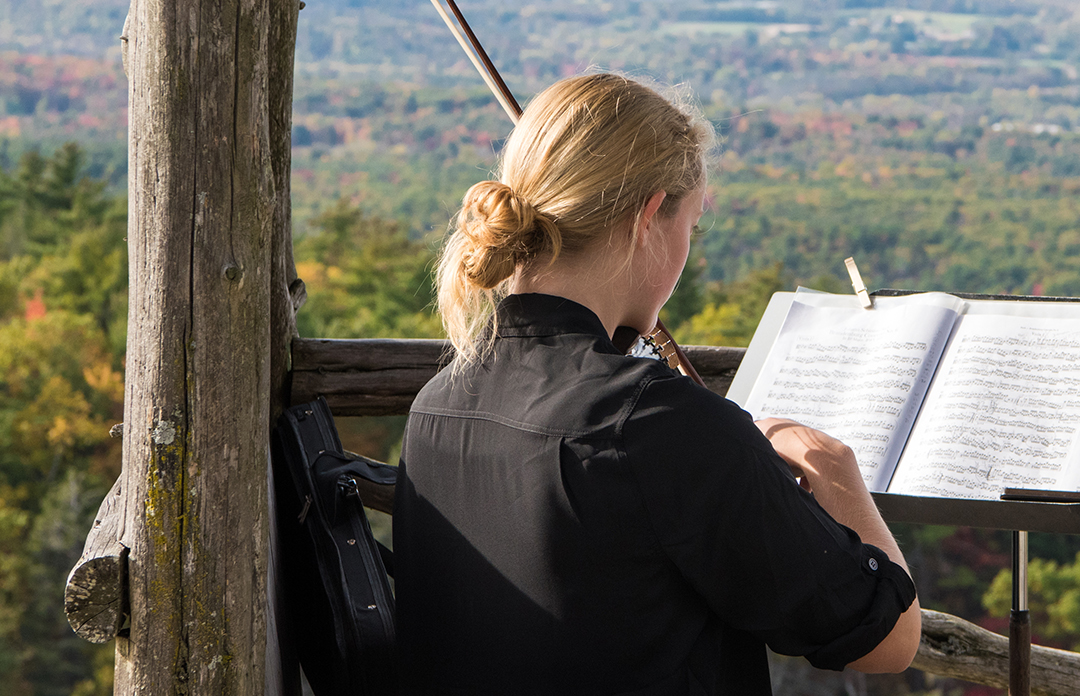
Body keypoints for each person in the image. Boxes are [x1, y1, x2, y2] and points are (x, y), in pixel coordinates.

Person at [394, 72, 922, 695]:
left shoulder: (438, 406)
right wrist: (835, 474)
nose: (685, 250)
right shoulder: (657, 426)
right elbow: (888, 639)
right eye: (690, 226)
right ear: (648, 216)